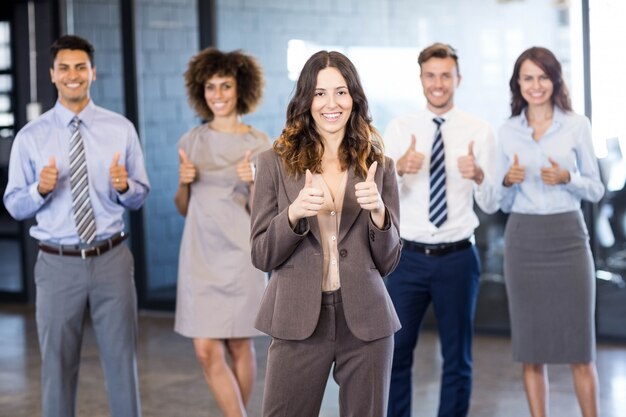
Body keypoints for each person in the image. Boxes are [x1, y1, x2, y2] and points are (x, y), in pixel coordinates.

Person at [3, 35, 149, 417]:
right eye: (64, 68)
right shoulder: (30, 137)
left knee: (123, 364)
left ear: (93, 73)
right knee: (57, 368)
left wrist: (124, 186)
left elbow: (140, 195)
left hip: (112, 258)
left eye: (80, 67)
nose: (73, 75)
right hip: (56, 264)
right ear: (52, 74)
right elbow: (14, 204)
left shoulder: (121, 129)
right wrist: (39, 190)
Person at [250, 50, 402, 417]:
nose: (330, 103)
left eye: (341, 92)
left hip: (366, 322)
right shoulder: (272, 163)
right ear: (305, 99)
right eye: (319, 93)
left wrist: (380, 214)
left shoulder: (379, 166)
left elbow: (389, 261)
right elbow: (261, 255)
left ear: (354, 99)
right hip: (297, 319)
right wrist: (294, 214)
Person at [383, 43, 499, 417]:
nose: (438, 83)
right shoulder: (399, 130)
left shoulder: (480, 131)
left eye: (445, 75)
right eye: (431, 76)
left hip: (458, 258)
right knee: (395, 354)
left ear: (457, 79)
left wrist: (479, 175)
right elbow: (379, 200)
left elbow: (493, 202)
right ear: (421, 79)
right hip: (407, 259)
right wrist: (398, 169)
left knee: (458, 358)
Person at [497, 46, 603, 417]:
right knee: (531, 351)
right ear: (518, 83)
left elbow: (596, 188)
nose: (536, 85)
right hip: (523, 240)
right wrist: (507, 182)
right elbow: (500, 203)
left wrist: (567, 177)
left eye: (543, 76)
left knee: (580, 349)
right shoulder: (507, 131)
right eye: (528, 77)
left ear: (555, 80)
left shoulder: (577, 125)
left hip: (568, 238)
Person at [173, 47, 270, 417]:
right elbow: (183, 206)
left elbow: (267, 214)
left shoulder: (259, 144)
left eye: (225, 86)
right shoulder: (190, 142)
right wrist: (184, 183)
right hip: (199, 253)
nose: (217, 94)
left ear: (240, 88)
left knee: (239, 346)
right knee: (205, 349)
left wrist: (254, 182)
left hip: (241, 253)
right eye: (210, 86)